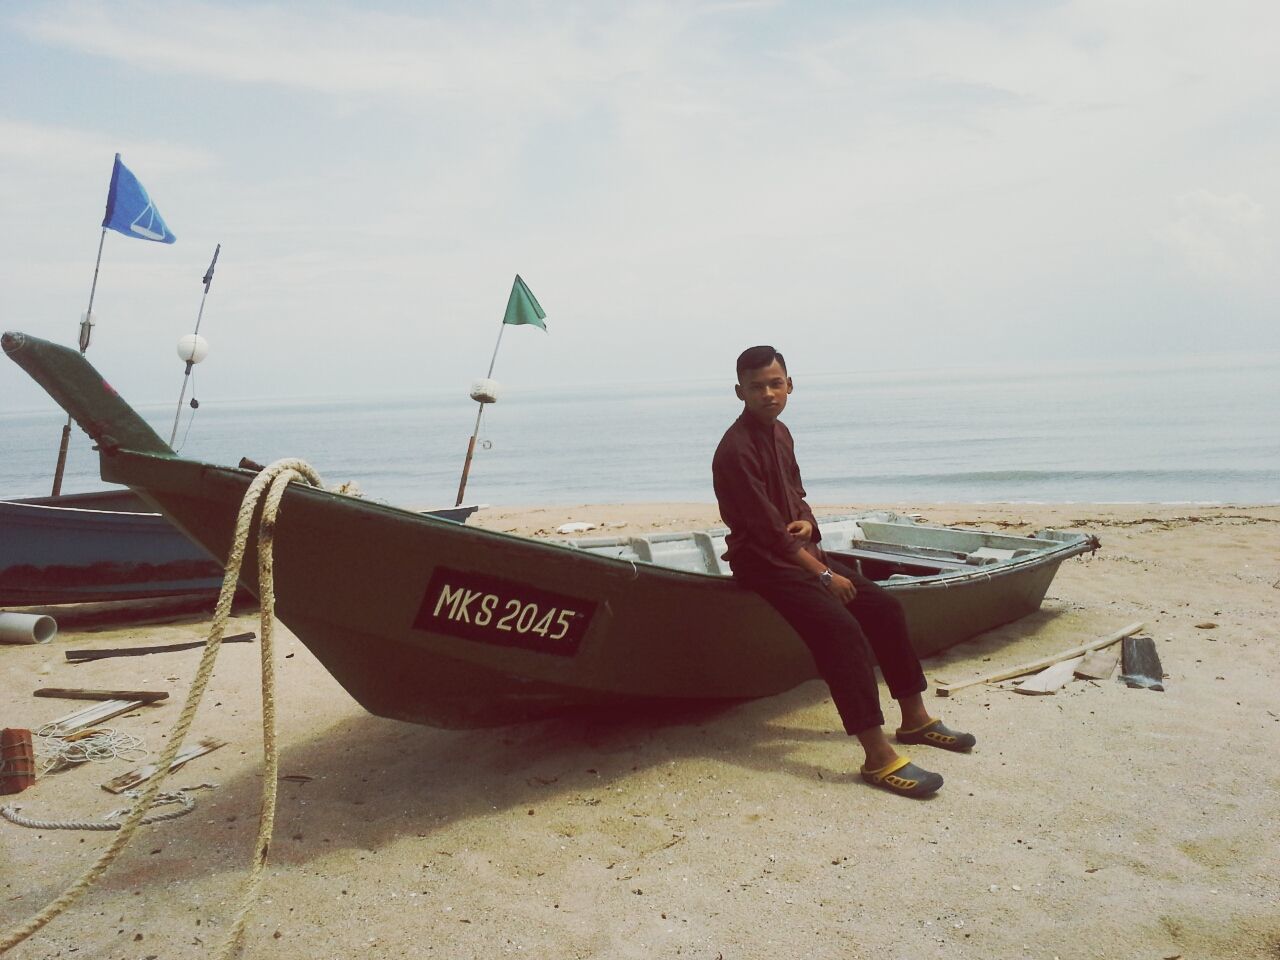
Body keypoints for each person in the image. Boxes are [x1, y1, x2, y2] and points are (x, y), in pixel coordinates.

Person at [712, 345, 975, 799]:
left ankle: (914, 720)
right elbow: (765, 534)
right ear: (740, 392)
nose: (768, 394)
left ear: (790, 385)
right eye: (757, 387)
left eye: (776, 384)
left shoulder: (782, 434)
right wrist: (822, 575)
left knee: (886, 608)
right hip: (764, 563)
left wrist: (809, 523)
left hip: (797, 552)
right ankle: (877, 758)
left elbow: (796, 498)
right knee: (842, 631)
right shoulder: (734, 451)